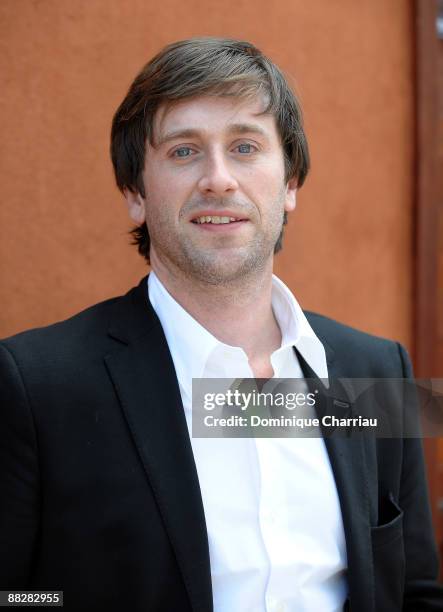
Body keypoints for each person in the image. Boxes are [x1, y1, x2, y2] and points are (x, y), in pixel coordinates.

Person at [0, 37, 441, 612]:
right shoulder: (33, 385)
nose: (219, 179)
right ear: (135, 193)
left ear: (290, 185)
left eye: (245, 147)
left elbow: (415, 592)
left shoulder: (377, 370)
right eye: (184, 151)